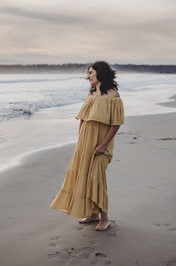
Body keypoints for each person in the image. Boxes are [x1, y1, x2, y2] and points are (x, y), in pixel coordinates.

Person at [50, 61, 124, 231]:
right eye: (89, 73)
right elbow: (83, 118)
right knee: (84, 176)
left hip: (100, 144)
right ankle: (93, 215)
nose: (88, 76)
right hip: (85, 142)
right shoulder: (90, 94)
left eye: (91, 73)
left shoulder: (114, 96)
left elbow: (116, 124)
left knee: (97, 178)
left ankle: (104, 218)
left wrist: (103, 145)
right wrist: (80, 140)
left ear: (101, 73)